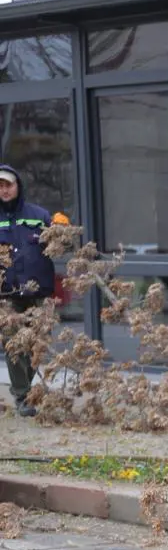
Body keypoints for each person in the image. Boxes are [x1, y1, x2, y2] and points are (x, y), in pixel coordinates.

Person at [0, 164, 57, 417]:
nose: (3, 189)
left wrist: (63, 234)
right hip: (7, 295)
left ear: (18, 185)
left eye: (8, 184)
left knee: (38, 344)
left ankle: (27, 388)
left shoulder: (40, 215)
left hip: (38, 293)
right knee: (14, 345)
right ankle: (23, 396)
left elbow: (59, 245)